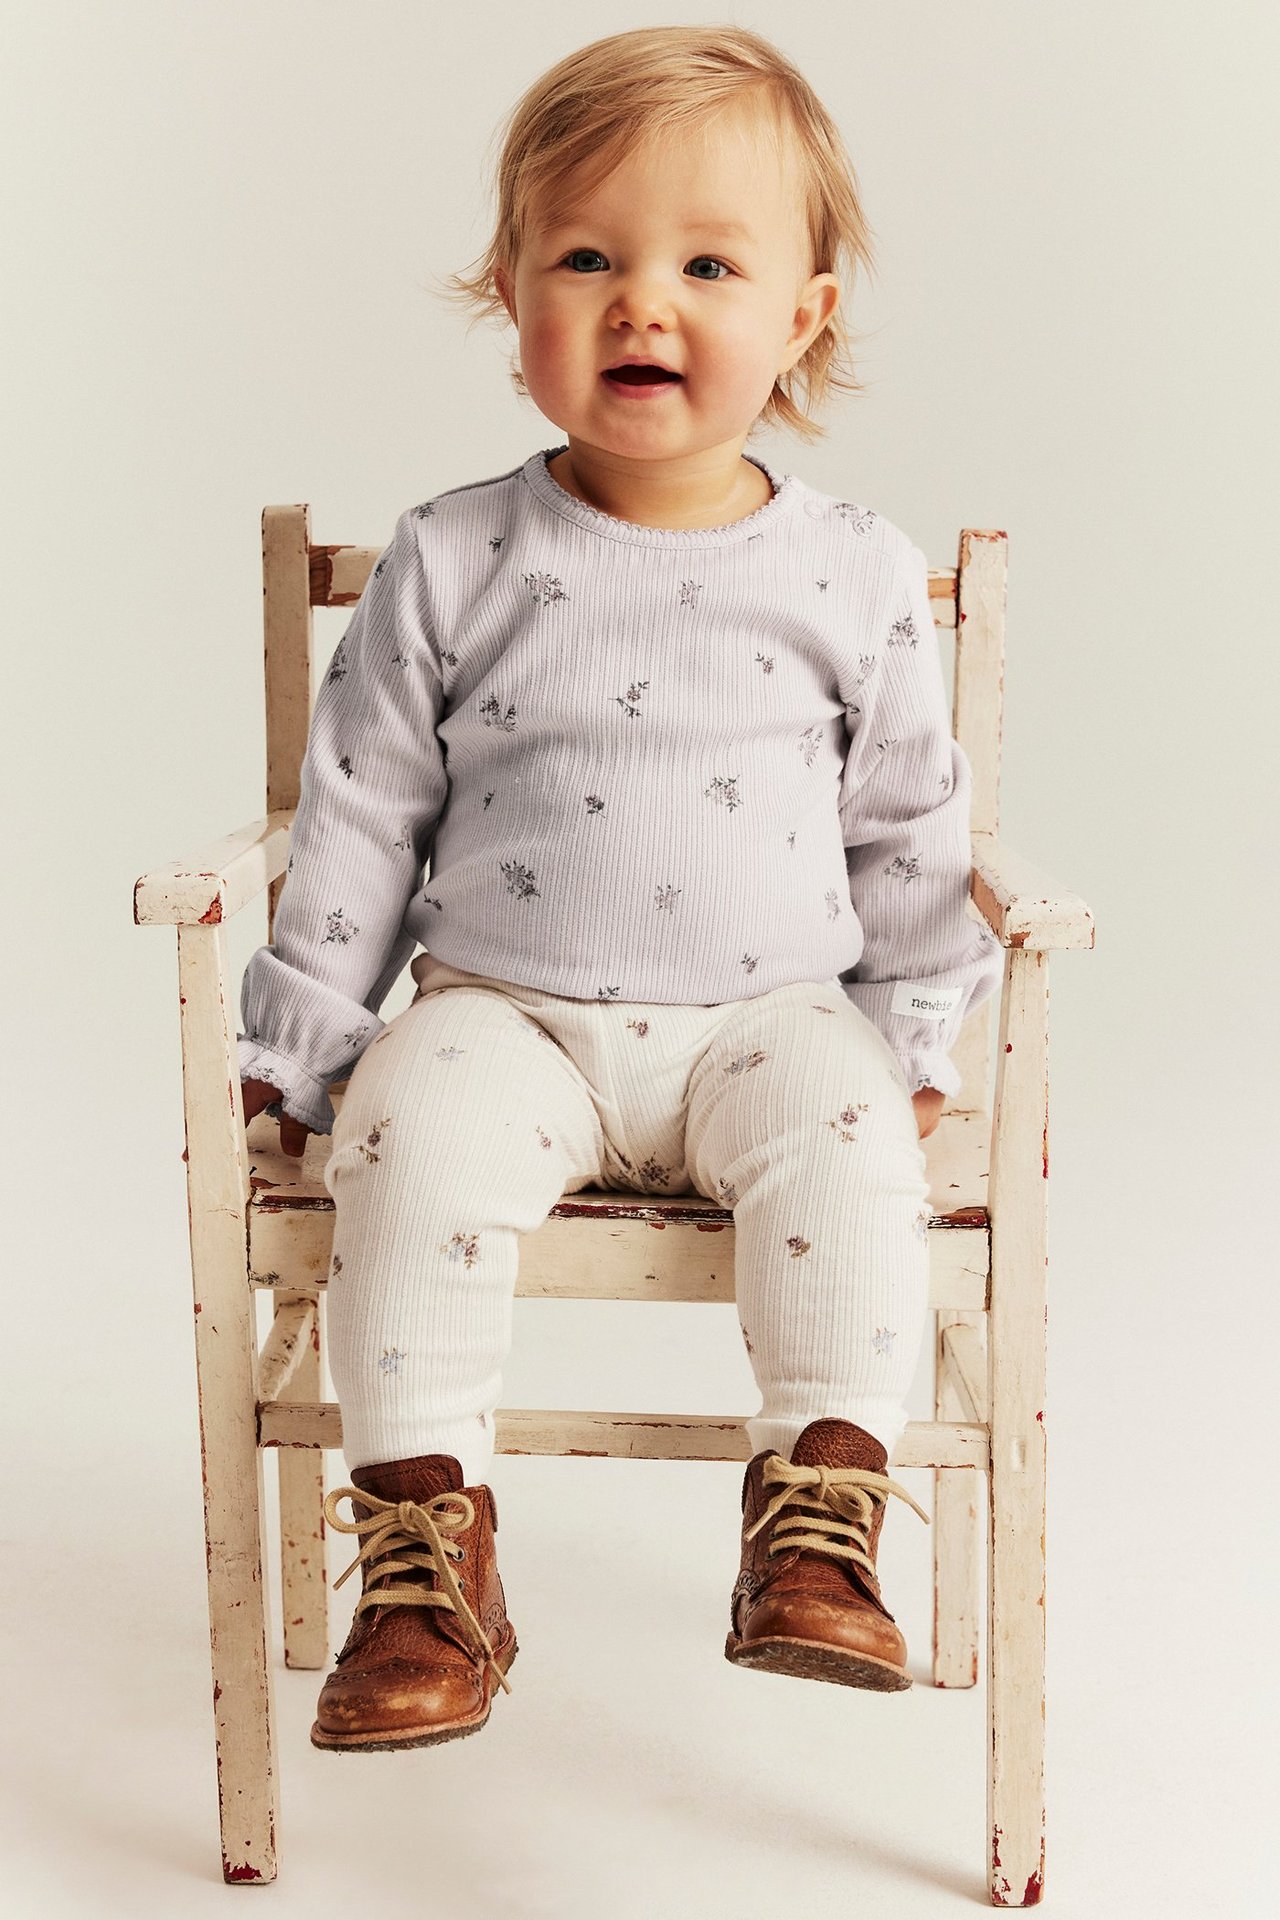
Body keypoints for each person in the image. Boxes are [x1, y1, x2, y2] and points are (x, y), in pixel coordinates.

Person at [239, 23, 1003, 1752]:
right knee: (408, 1142)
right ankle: (428, 1559)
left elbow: (906, 824)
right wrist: (303, 1048)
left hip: (774, 1013)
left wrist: (917, 1032)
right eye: (586, 257)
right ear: (512, 297)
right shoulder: (456, 556)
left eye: (706, 264)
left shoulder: (848, 568)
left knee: (852, 1142)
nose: (642, 302)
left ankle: (818, 1518)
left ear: (802, 315)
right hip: (509, 1014)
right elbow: (359, 814)